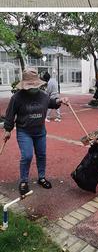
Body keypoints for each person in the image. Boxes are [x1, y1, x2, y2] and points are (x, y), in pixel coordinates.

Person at [2, 68, 69, 196]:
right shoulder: (17, 97)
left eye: (34, 85)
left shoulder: (43, 95)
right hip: (24, 131)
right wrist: (8, 129)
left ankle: (42, 177)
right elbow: (10, 115)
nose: (33, 88)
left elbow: (51, 103)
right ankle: (23, 181)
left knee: (42, 155)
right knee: (27, 156)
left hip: (40, 131)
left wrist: (60, 100)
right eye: (30, 85)